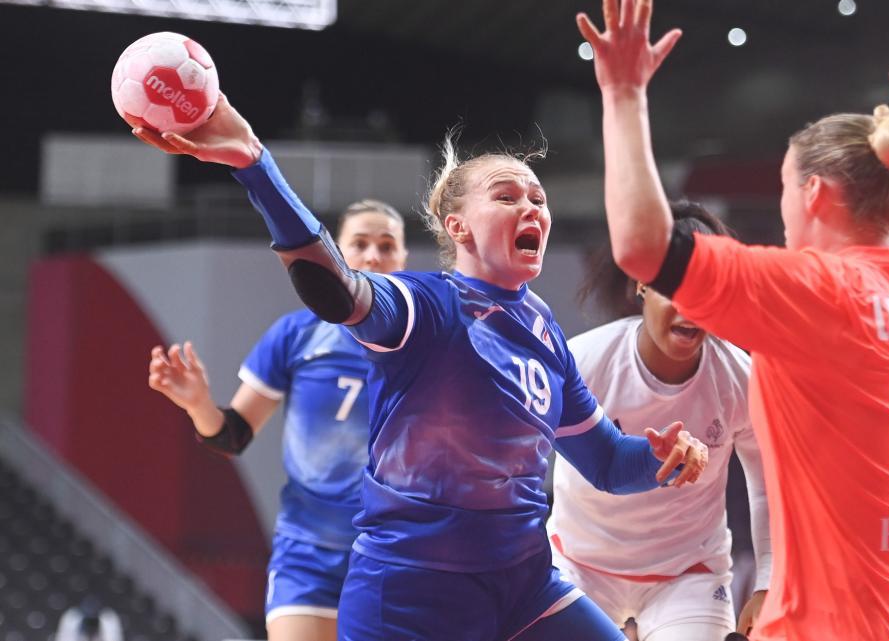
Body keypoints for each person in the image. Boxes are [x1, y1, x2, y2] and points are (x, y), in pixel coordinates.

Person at [127, 100, 710, 641]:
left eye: (538, 198)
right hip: (413, 591)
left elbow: (607, 461)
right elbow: (334, 289)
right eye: (507, 196)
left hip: (524, 584)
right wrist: (255, 164)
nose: (531, 206)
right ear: (458, 227)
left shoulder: (544, 331)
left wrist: (663, 458)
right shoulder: (425, 305)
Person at [579, 0, 889, 640]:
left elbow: (642, 246)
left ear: (812, 193)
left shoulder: (811, 291)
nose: (782, 208)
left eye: (783, 185)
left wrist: (623, 94)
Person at [148, 199, 408, 641]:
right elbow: (231, 437)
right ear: (337, 255)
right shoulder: (296, 334)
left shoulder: (423, 343)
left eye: (387, 246)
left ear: (402, 259)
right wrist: (198, 404)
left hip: (394, 552)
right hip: (307, 551)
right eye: (360, 243)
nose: (373, 256)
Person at [548, 200, 771, 641]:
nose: (690, 308)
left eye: (705, 291)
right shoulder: (582, 361)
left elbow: (768, 487)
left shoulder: (740, 378)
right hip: (577, 567)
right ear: (641, 285)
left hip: (688, 575)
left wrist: (766, 583)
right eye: (674, 289)